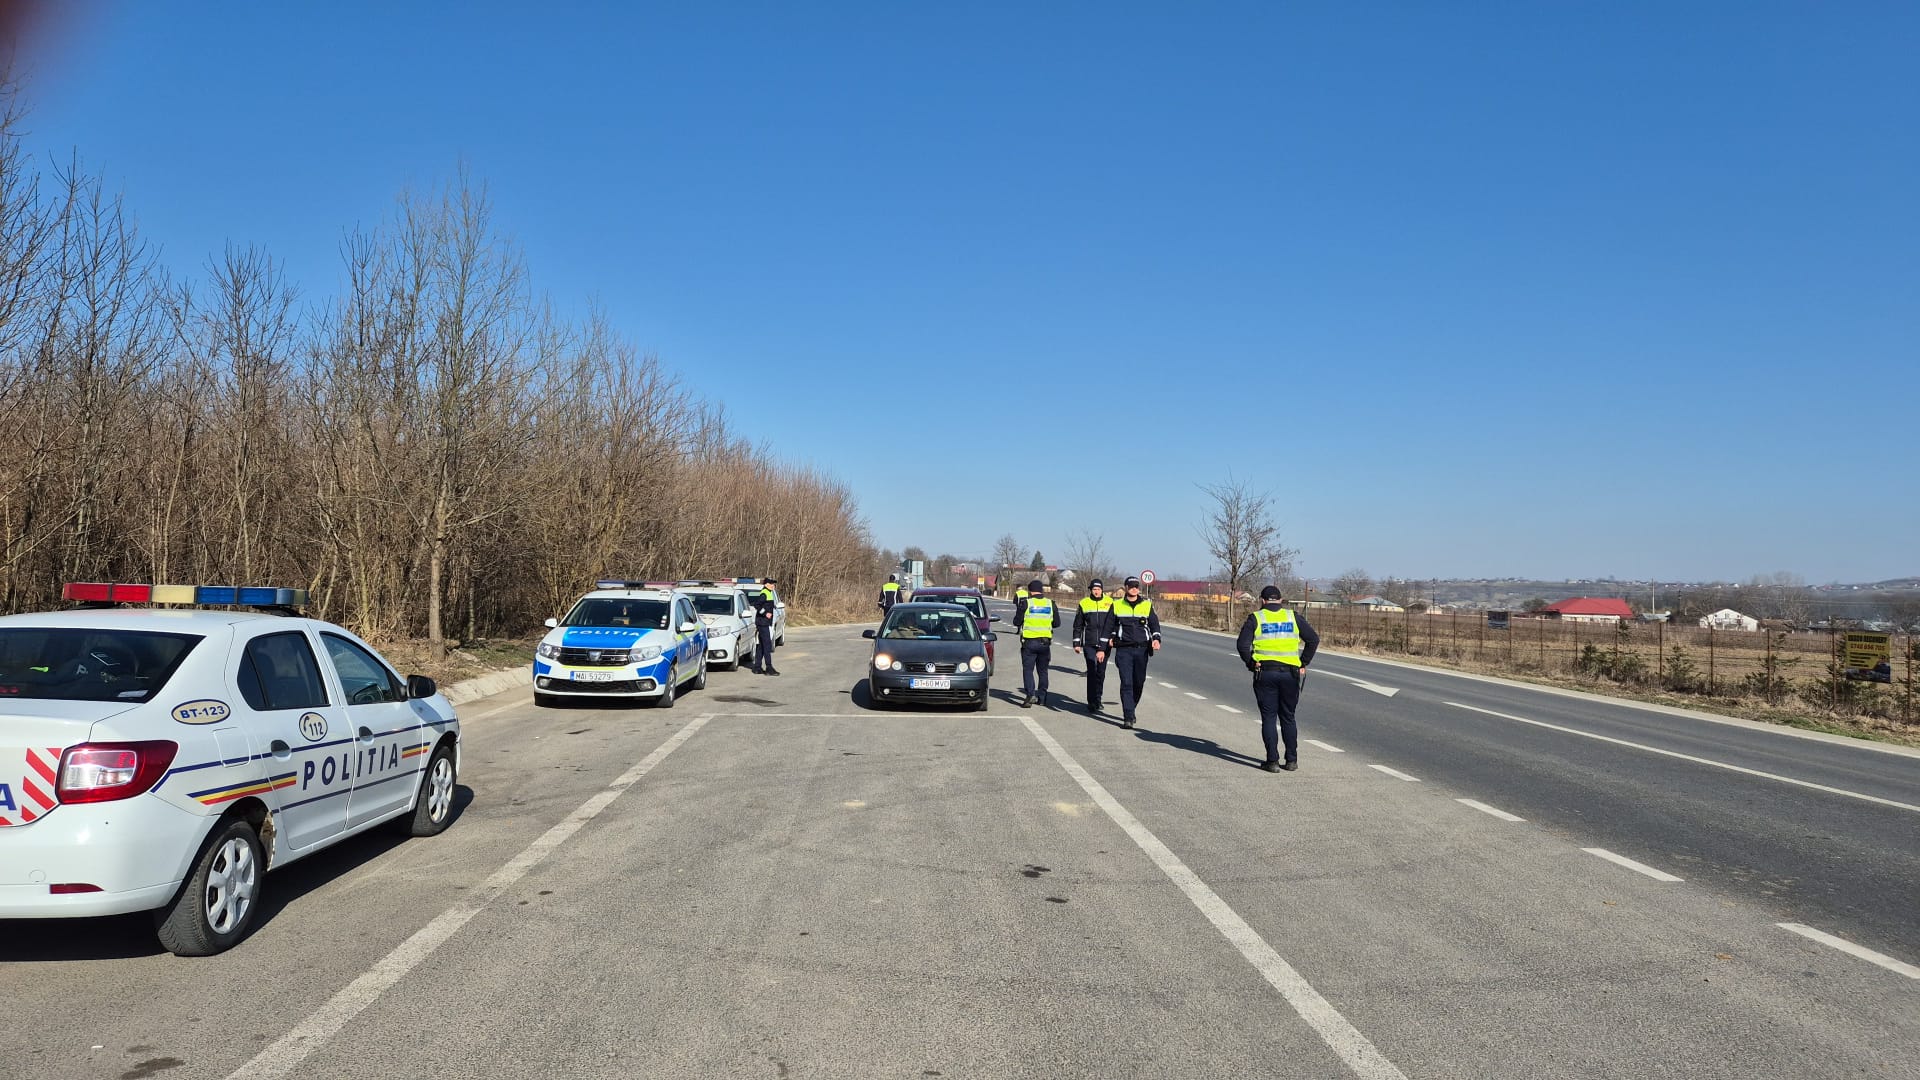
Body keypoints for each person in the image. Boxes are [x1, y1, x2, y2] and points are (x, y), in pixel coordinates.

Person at [1235, 586, 1320, 772]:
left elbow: (1242, 645)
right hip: (1290, 673)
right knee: (1288, 717)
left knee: (1269, 717)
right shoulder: (1293, 617)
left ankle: (1272, 761)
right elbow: (1313, 639)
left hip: (1265, 673)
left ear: (1263, 600)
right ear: (1281, 600)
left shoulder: (1256, 618)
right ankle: (1291, 760)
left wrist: (1251, 663)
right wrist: (1302, 662)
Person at [1109, 577, 1160, 728]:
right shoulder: (1117, 604)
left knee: (1138, 682)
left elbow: (1154, 625)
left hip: (1141, 650)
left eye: (1136, 586)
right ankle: (1128, 716)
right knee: (1126, 682)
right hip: (1124, 649)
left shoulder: (1146, 605)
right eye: (1131, 586)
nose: (1134, 589)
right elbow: (1109, 626)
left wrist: (1156, 639)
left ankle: (1131, 707)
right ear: (1125, 587)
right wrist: (1105, 645)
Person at [1013, 578, 1060, 708]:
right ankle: (1042, 698)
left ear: (1030, 591)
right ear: (1041, 590)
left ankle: (1030, 695)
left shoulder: (1026, 603)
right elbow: (1057, 623)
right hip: (1045, 643)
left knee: (1028, 670)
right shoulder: (1050, 604)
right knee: (1043, 671)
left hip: (1029, 643)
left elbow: (1016, 622)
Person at [1071, 578, 1115, 715]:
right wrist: (1077, 642)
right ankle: (1091, 701)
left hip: (1105, 644)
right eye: (1094, 589)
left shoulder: (1110, 602)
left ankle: (1098, 699)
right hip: (1089, 643)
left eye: (1099, 589)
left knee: (1100, 672)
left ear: (1102, 590)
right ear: (1090, 590)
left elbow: (1115, 623)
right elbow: (1078, 625)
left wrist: (1112, 638)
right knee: (1092, 670)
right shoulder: (1084, 603)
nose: (1096, 592)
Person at [750, 578, 781, 676]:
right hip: (762, 622)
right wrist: (765, 613)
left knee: (762, 645)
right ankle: (769, 668)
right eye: (771, 584)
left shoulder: (769, 593)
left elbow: (766, 605)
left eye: (774, 584)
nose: (773, 586)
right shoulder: (764, 593)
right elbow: (757, 605)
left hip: (764, 622)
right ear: (766, 584)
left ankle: (757, 667)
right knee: (767, 645)